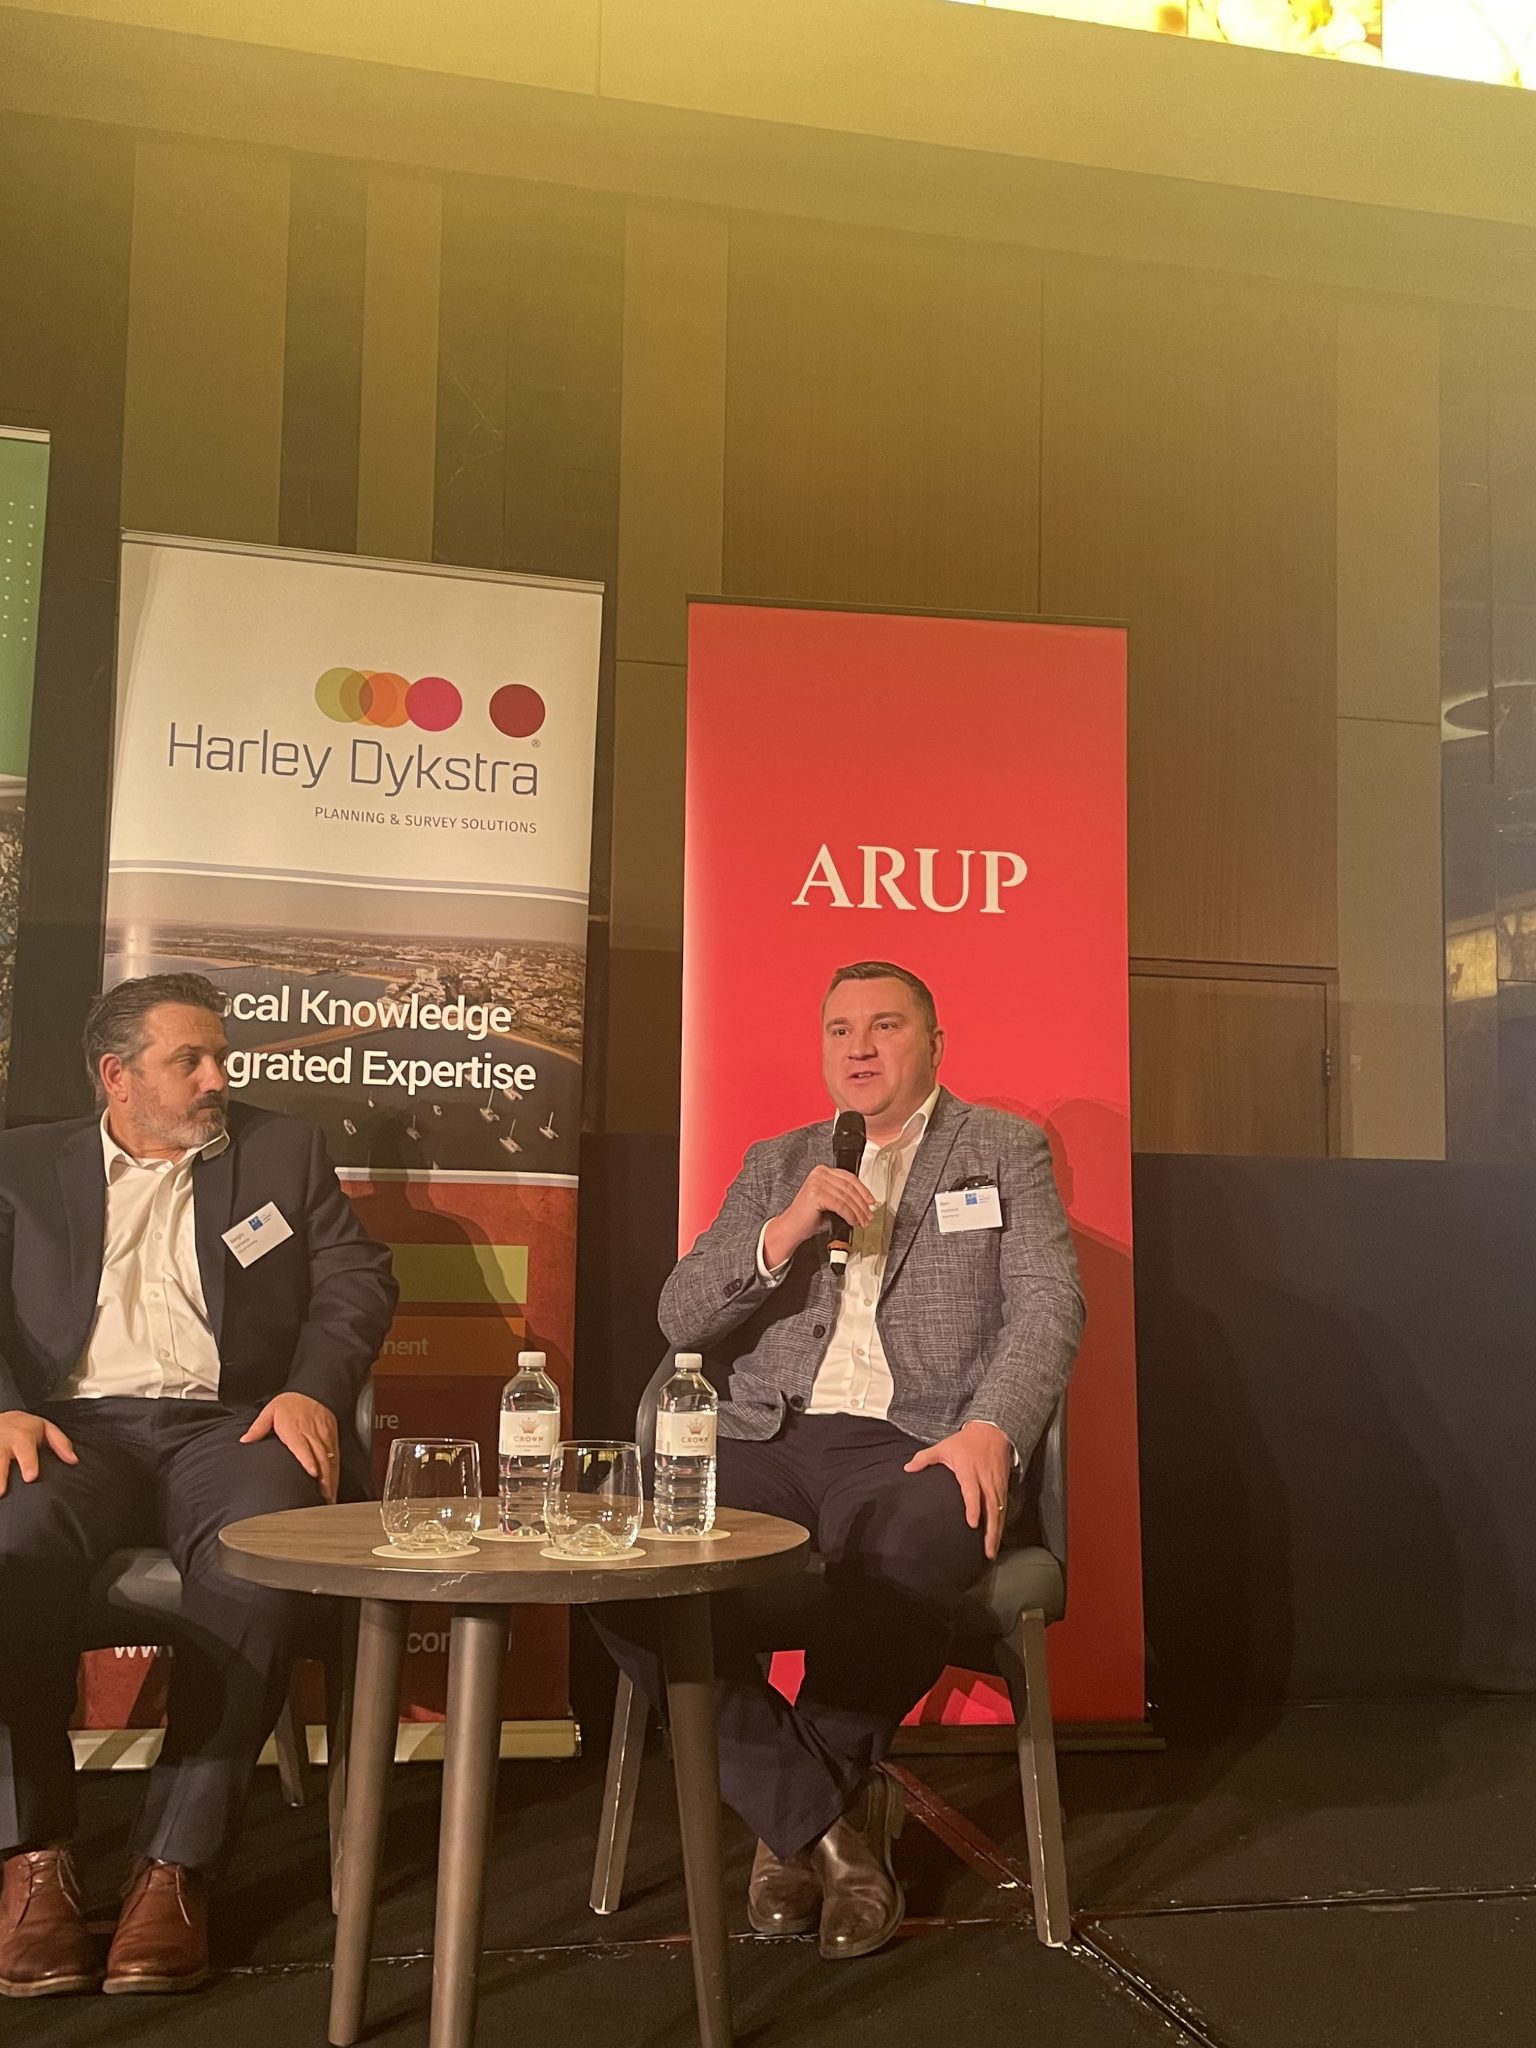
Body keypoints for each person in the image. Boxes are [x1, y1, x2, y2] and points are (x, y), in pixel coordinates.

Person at [597, 959, 1084, 1960]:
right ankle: (824, 1828)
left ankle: (788, 1830)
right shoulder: (778, 1160)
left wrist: (993, 1426)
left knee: (909, 1549)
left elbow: (1048, 1305)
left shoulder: (1003, 1148)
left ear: (934, 1043)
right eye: (839, 1028)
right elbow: (681, 1314)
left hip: (919, 1439)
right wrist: (781, 1233)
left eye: (885, 1025)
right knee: (620, 1556)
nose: (859, 1046)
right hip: (766, 1435)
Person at [0, 973, 397, 1998]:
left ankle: (172, 1865)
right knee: (11, 1545)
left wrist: (312, 1388)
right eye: (192, 1060)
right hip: (72, 1428)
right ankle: (33, 1857)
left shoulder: (279, 1150)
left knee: (260, 1552)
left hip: (231, 1423)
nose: (219, 1077)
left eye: (222, 1056)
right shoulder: (22, 1162)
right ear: (117, 1075)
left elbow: (356, 1276)